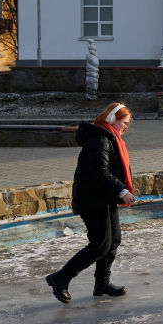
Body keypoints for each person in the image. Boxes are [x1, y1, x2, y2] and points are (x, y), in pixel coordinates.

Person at [46, 103, 136, 303]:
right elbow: (100, 173)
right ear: (112, 119)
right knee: (100, 245)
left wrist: (119, 191)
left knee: (113, 241)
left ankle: (101, 284)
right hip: (92, 200)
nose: (125, 128)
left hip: (104, 198)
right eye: (124, 122)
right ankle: (60, 278)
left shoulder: (110, 137)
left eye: (127, 124)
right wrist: (121, 190)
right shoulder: (100, 139)